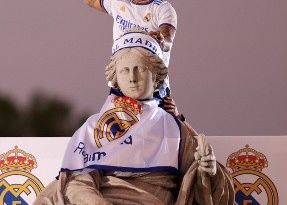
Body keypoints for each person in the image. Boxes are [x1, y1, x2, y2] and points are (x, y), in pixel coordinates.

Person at [33, 32, 234, 205]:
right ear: (116, 78)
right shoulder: (95, 126)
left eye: (140, 69)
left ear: (156, 77)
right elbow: (78, 183)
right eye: (125, 70)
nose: (132, 77)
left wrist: (209, 170)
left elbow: (206, 188)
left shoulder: (174, 129)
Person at [82, 0, 177, 100]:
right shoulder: (118, 1)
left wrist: (162, 39)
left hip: (152, 88)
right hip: (121, 86)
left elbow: (167, 38)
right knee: (102, 125)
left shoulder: (162, 8)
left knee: (169, 124)